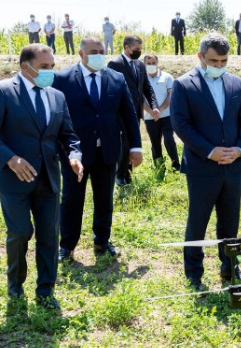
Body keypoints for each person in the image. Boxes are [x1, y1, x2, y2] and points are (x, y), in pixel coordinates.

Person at [0, 44, 84, 309]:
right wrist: (10, 158)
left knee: (49, 235)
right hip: (14, 178)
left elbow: (68, 136)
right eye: (44, 67)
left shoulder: (56, 97)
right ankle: (15, 287)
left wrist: (75, 156)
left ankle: (45, 290)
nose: (50, 72)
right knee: (20, 232)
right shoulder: (3, 91)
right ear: (25, 66)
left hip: (48, 178)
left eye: (52, 66)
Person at [171, 33, 241, 289]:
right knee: (198, 221)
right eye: (213, 61)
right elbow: (181, 125)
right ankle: (193, 273)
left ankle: (230, 268)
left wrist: (239, 149)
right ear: (200, 57)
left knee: (230, 221)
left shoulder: (235, 83)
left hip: (232, 166)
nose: (218, 66)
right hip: (202, 167)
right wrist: (209, 151)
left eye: (223, 61)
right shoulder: (184, 85)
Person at [52, 36, 143, 262]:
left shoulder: (116, 78)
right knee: (72, 200)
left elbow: (129, 115)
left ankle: (102, 240)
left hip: (108, 150)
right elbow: (56, 117)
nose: (99, 55)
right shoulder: (62, 79)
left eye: (102, 51)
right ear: (81, 54)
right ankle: (67, 245)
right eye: (93, 51)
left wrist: (136, 146)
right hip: (74, 154)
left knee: (105, 199)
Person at [107, 35, 159, 186]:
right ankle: (120, 175)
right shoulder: (115, 64)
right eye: (136, 49)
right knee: (125, 143)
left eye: (140, 50)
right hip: (120, 112)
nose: (139, 52)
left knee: (133, 143)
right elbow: (110, 88)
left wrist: (154, 105)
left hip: (135, 112)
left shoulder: (140, 65)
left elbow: (146, 88)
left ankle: (128, 173)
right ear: (126, 47)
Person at [143, 53, 180, 173]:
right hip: (150, 117)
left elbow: (171, 95)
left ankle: (176, 165)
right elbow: (140, 99)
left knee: (169, 139)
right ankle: (159, 168)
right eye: (148, 63)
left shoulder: (167, 77)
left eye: (153, 63)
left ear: (157, 63)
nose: (151, 65)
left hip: (166, 116)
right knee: (155, 143)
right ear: (145, 64)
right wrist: (151, 111)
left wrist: (160, 110)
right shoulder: (142, 79)